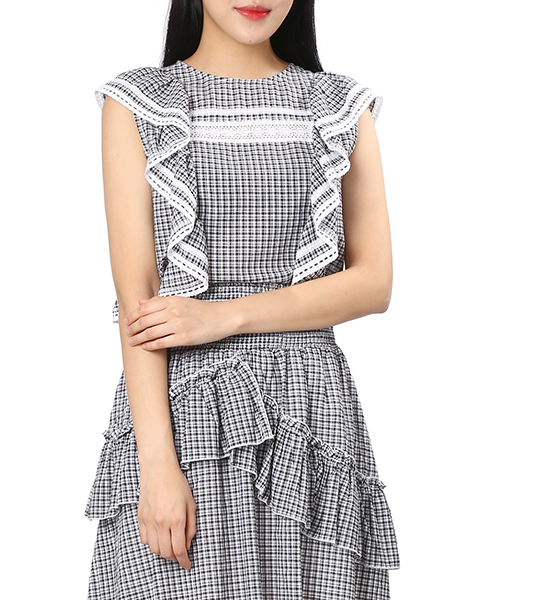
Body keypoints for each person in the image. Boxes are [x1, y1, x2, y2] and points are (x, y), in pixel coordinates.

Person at [83, 1, 401, 598]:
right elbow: (138, 302)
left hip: (311, 420)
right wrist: (156, 465)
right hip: (185, 418)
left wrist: (224, 316)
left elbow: (373, 282)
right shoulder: (139, 103)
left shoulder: (339, 106)